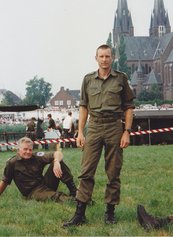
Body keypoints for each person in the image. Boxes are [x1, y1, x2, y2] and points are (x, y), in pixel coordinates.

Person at [63, 44, 135, 227]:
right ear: (96, 58)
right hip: (94, 126)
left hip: (114, 127)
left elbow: (128, 107)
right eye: (101, 56)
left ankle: (110, 213)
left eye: (107, 56)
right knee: (86, 171)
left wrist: (126, 131)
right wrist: (80, 131)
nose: (104, 60)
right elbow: (83, 107)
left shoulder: (121, 79)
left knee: (113, 171)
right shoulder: (88, 80)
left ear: (112, 58)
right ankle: (80, 214)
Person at [0, 137, 77, 202]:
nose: (28, 152)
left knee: (58, 161)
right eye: (25, 149)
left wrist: (56, 162)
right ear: (18, 150)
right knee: (53, 196)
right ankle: (75, 200)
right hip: (32, 191)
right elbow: (5, 181)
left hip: (44, 184)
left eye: (30, 149)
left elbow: (57, 153)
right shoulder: (12, 163)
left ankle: (74, 191)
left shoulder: (36, 156)